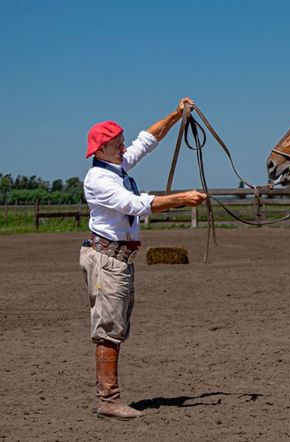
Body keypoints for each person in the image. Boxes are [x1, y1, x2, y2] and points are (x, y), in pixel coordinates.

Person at [80, 97, 207, 420]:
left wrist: (177, 115)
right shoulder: (99, 180)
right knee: (109, 327)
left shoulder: (115, 166)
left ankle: (109, 397)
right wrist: (181, 199)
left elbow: (146, 141)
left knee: (114, 326)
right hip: (108, 260)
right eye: (117, 145)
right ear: (101, 150)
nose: (124, 148)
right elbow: (135, 204)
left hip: (117, 259)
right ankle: (108, 399)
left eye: (122, 143)